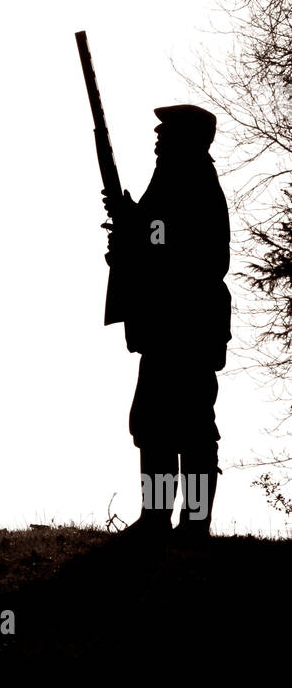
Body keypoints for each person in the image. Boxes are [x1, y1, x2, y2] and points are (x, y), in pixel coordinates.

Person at [105, 105, 232, 543]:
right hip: (170, 325)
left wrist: (134, 223)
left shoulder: (191, 180)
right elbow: (156, 236)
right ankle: (159, 518)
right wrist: (129, 227)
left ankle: (192, 523)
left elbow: (167, 242)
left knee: (191, 429)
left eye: (167, 133)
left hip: (187, 325)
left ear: (187, 139)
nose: (158, 139)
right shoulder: (175, 180)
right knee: (157, 425)